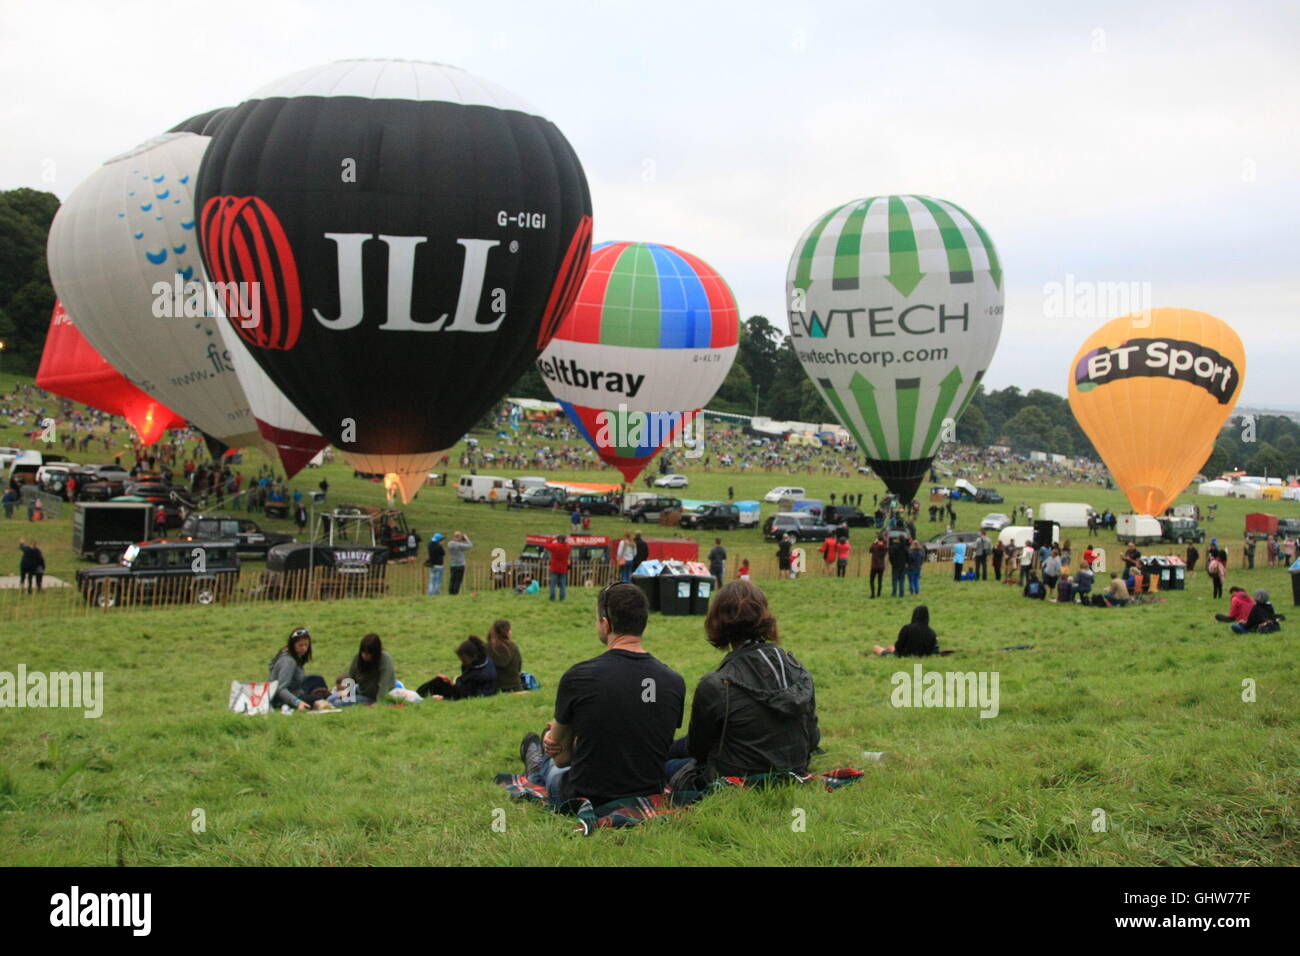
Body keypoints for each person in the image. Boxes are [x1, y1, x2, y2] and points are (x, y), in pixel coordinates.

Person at [517, 582, 685, 809]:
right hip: (649, 792)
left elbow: (563, 758)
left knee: (550, 761)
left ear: (606, 625)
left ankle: (536, 765)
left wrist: (557, 740)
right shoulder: (674, 682)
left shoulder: (579, 678)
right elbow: (648, 734)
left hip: (587, 796)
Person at [664, 581, 819, 787]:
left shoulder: (715, 685)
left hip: (735, 777)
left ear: (716, 620)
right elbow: (813, 739)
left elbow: (698, 750)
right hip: (793, 770)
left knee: (664, 764)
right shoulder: (798, 671)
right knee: (673, 750)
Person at [418, 636, 499, 700]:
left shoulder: (479, 674)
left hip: (467, 694)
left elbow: (465, 692)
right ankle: (417, 695)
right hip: (468, 691)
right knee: (440, 680)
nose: (463, 664)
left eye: (464, 661)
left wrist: (445, 696)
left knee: (439, 681)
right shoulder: (485, 661)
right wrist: (453, 681)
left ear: (474, 656)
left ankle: (417, 696)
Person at [269, 627, 328, 712]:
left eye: (306, 645)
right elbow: (281, 689)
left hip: (295, 689)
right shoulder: (288, 661)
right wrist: (297, 702)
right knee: (318, 699)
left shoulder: (295, 656)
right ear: (293, 645)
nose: (304, 648)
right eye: (300, 645)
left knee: (318, 679)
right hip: (282, 699)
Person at [328, 633, 396, 706]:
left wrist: (379, 702)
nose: (365, 655)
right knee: (330, 699)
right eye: (363, 652)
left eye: (368, 653)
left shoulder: (385, 659)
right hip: (361, 690)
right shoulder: (358, 658)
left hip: (373, 697)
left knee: (338, 703)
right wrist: (346, 692)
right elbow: (351, 677)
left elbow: (384, 684)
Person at [873, 605, 939, 657]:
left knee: (876, 647)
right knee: (890, 647)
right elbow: (934, 650)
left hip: (903, 655)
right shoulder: (931, 632)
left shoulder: (907, 628)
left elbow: (899, 646)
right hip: (921, 655)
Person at [486, 619, 522, 693]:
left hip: (493, 688)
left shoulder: (486, 648)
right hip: (515, 687)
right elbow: (519, 667)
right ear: (507, 632)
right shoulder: (513, 647)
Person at [545, 534, 572, 601]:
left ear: (559, 539)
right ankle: (562, 598)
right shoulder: (568, 547)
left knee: (553, 584)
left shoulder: (555, 546)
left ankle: (552, 598)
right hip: (563, 569)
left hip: (554, 568)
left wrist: (552, 538)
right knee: (563, 585)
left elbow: (546, 544)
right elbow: (567, 544)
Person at [447, 531, 472, 595]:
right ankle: (455, 593)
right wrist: (466, 538)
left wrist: (460, 540)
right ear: (459, 537)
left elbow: (455, 543)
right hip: (460, 565)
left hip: (453, 565)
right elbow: (470, 545)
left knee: (452, 580)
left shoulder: (449, 544)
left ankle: (450, 592)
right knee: (458, 580)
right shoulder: (459, 545)